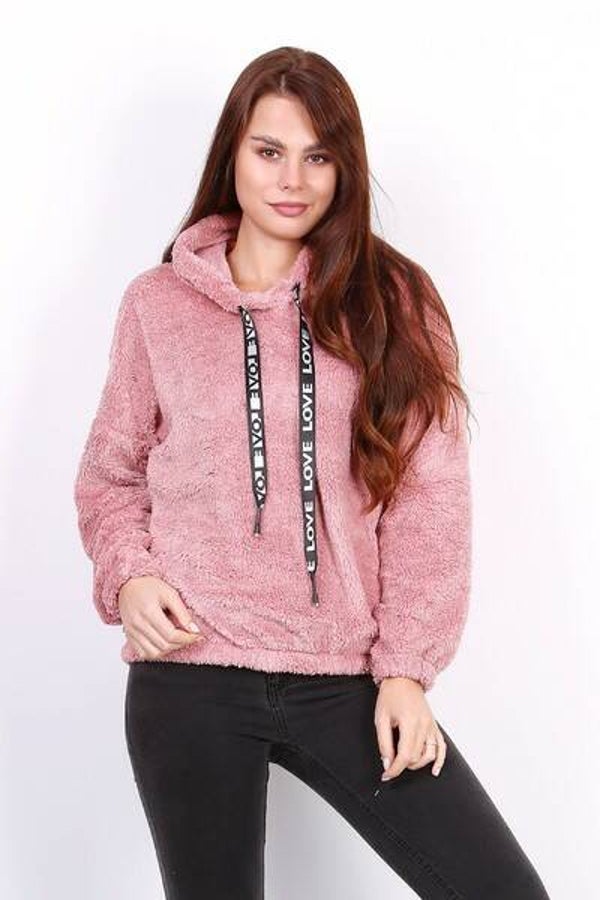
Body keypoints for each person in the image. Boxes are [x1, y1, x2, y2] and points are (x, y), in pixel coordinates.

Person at [73, 46, 551, 900]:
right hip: (189, 671)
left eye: (318, 156)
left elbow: (431, 496)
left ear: (345, 168)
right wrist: (130, 576)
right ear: (232, 154)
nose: (292, 179)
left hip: (346, 677)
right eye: (269, 151)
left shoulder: (393, 301)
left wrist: (405, 669)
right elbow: (111, 472)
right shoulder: (157, 303)